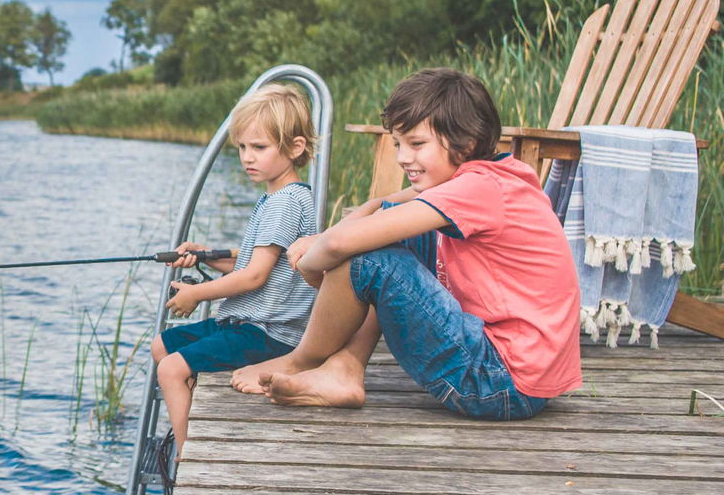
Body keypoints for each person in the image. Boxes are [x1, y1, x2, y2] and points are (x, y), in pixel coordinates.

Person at [236, 67, 581, 418]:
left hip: (498, 381)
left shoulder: (477, 189)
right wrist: (346, 225)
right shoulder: (498, 177)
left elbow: (341, 245)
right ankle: (344, 368)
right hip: (519, 376)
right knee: (386, 231)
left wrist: (311, 264)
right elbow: (382, 209)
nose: (403, 157)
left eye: (417, 144)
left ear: (468, 143)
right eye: (399, 143)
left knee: (368, 257)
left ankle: (300, 361)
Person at [149, 83, 318, 495]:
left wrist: (194, 294)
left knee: (170, 369)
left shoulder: (286, 203)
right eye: (242, 146)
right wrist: (206, 257)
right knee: (162, 347)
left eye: (259, 147)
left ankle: (189, 476)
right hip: (248, 323)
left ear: (295, 147)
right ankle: (189, 433)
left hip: (270, 333)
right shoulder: (277, 198)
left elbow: (254, 278)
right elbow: (252, 262)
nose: (247, 156)